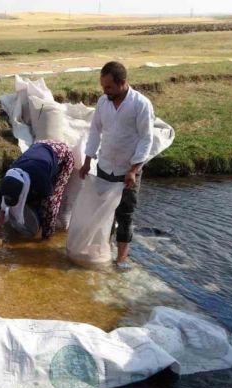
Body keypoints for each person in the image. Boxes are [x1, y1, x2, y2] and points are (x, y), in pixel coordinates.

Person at [79, 61, 154, 270]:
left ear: (123, 83)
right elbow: (95, 131)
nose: (105, 91)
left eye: (109, 87)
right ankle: (104, 251)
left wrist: (133, 170)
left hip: (127, 171)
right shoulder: (103, 103)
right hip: (105, 167)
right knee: (104, 212)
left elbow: (146, 139)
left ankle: (121, 259)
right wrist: (87, 161)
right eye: (103, 87)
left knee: (125, 215)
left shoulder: (140, 104)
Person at [0, 140, 74, 239]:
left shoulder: (40, 179)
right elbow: (1, 201)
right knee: (35, 197)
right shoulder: (8, 180)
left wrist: (46, 238)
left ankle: (48, 233)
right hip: (39, 147)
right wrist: (0, 218)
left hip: (62, 154)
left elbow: (51, 206)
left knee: (52, 198)